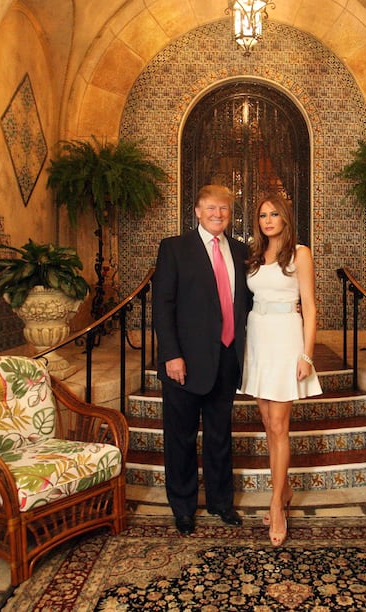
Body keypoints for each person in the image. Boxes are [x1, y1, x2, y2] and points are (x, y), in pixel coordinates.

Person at [152, 184, 251, 536]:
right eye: (210, 207)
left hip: (226, 359)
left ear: (230, 212)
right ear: (196, 211)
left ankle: (222, 503)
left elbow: (248, 304)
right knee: (180, 437)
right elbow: (162, 306)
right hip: (185, 362)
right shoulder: (175, 248)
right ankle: (183, 508)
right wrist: (171, 355)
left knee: (220, 435)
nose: (217, 214)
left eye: (223, 208)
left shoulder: (241, 252)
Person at [240, 193, 322, 547]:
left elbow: (312, 307)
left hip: (287, 336)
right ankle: (284, 489)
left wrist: (306, 356)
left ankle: (276, 505)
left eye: (274, 214)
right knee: (265, 422)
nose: (268, 220)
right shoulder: (254, 255)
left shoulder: (299, 253)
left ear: (286, 218)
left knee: (279, 425)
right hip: (258, 337)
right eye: (262, 215)